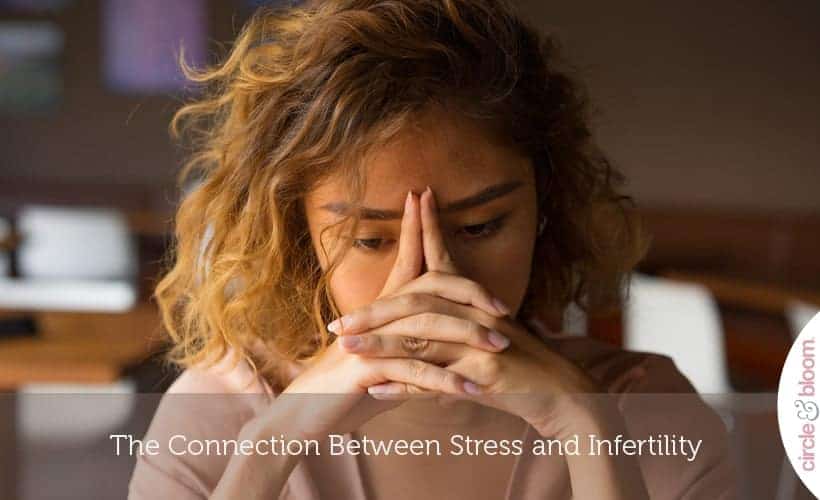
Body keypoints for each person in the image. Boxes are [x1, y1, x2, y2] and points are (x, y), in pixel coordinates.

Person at [129, 0, 736, 498]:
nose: (427, 279)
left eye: (480, 227)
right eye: (370, 239)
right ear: (299, 238)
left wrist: (587, 430)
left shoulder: (647, 413)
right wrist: (271, 445)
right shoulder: (221, 415)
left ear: (543, 212)